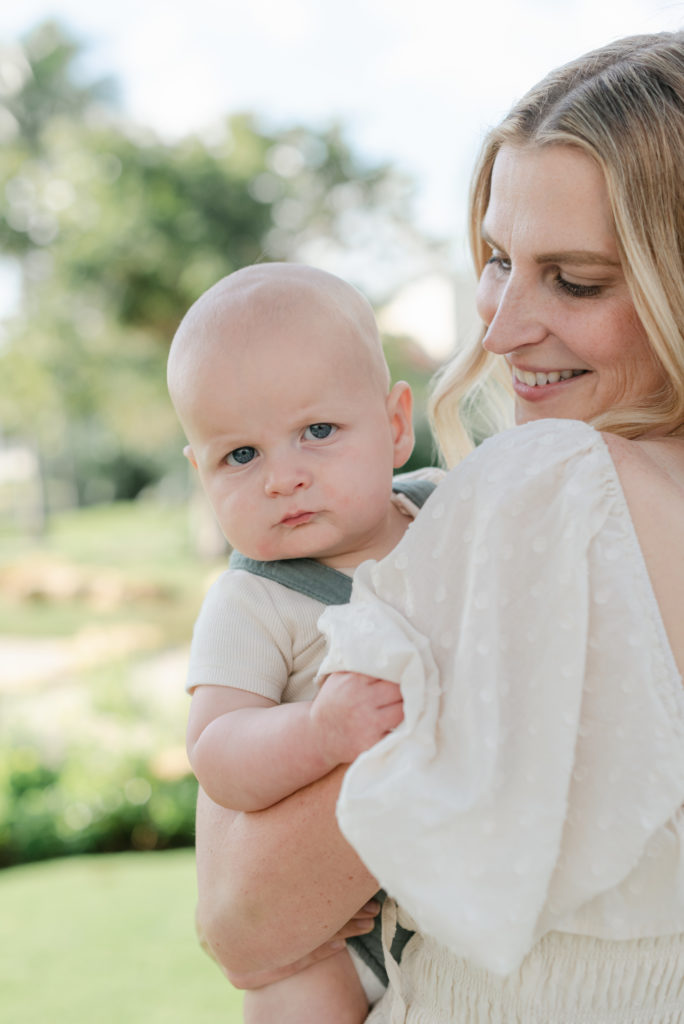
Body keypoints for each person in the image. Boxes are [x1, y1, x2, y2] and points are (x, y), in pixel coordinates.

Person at [192, 30, 684, 1023]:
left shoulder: (555, 495)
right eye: (499, 259)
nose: (499, 327)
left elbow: (245, 920)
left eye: (575, 279)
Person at [167, 262, 441, 1023]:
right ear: (201, 472)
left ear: (393, 425)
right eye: (241, 456)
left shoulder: (448, 511)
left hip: (448, 899)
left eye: (316, 433)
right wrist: (317, 731)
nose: (282, 478)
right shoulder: (256, 601)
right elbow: (217, 748)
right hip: (329, 938)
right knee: (293, 999)